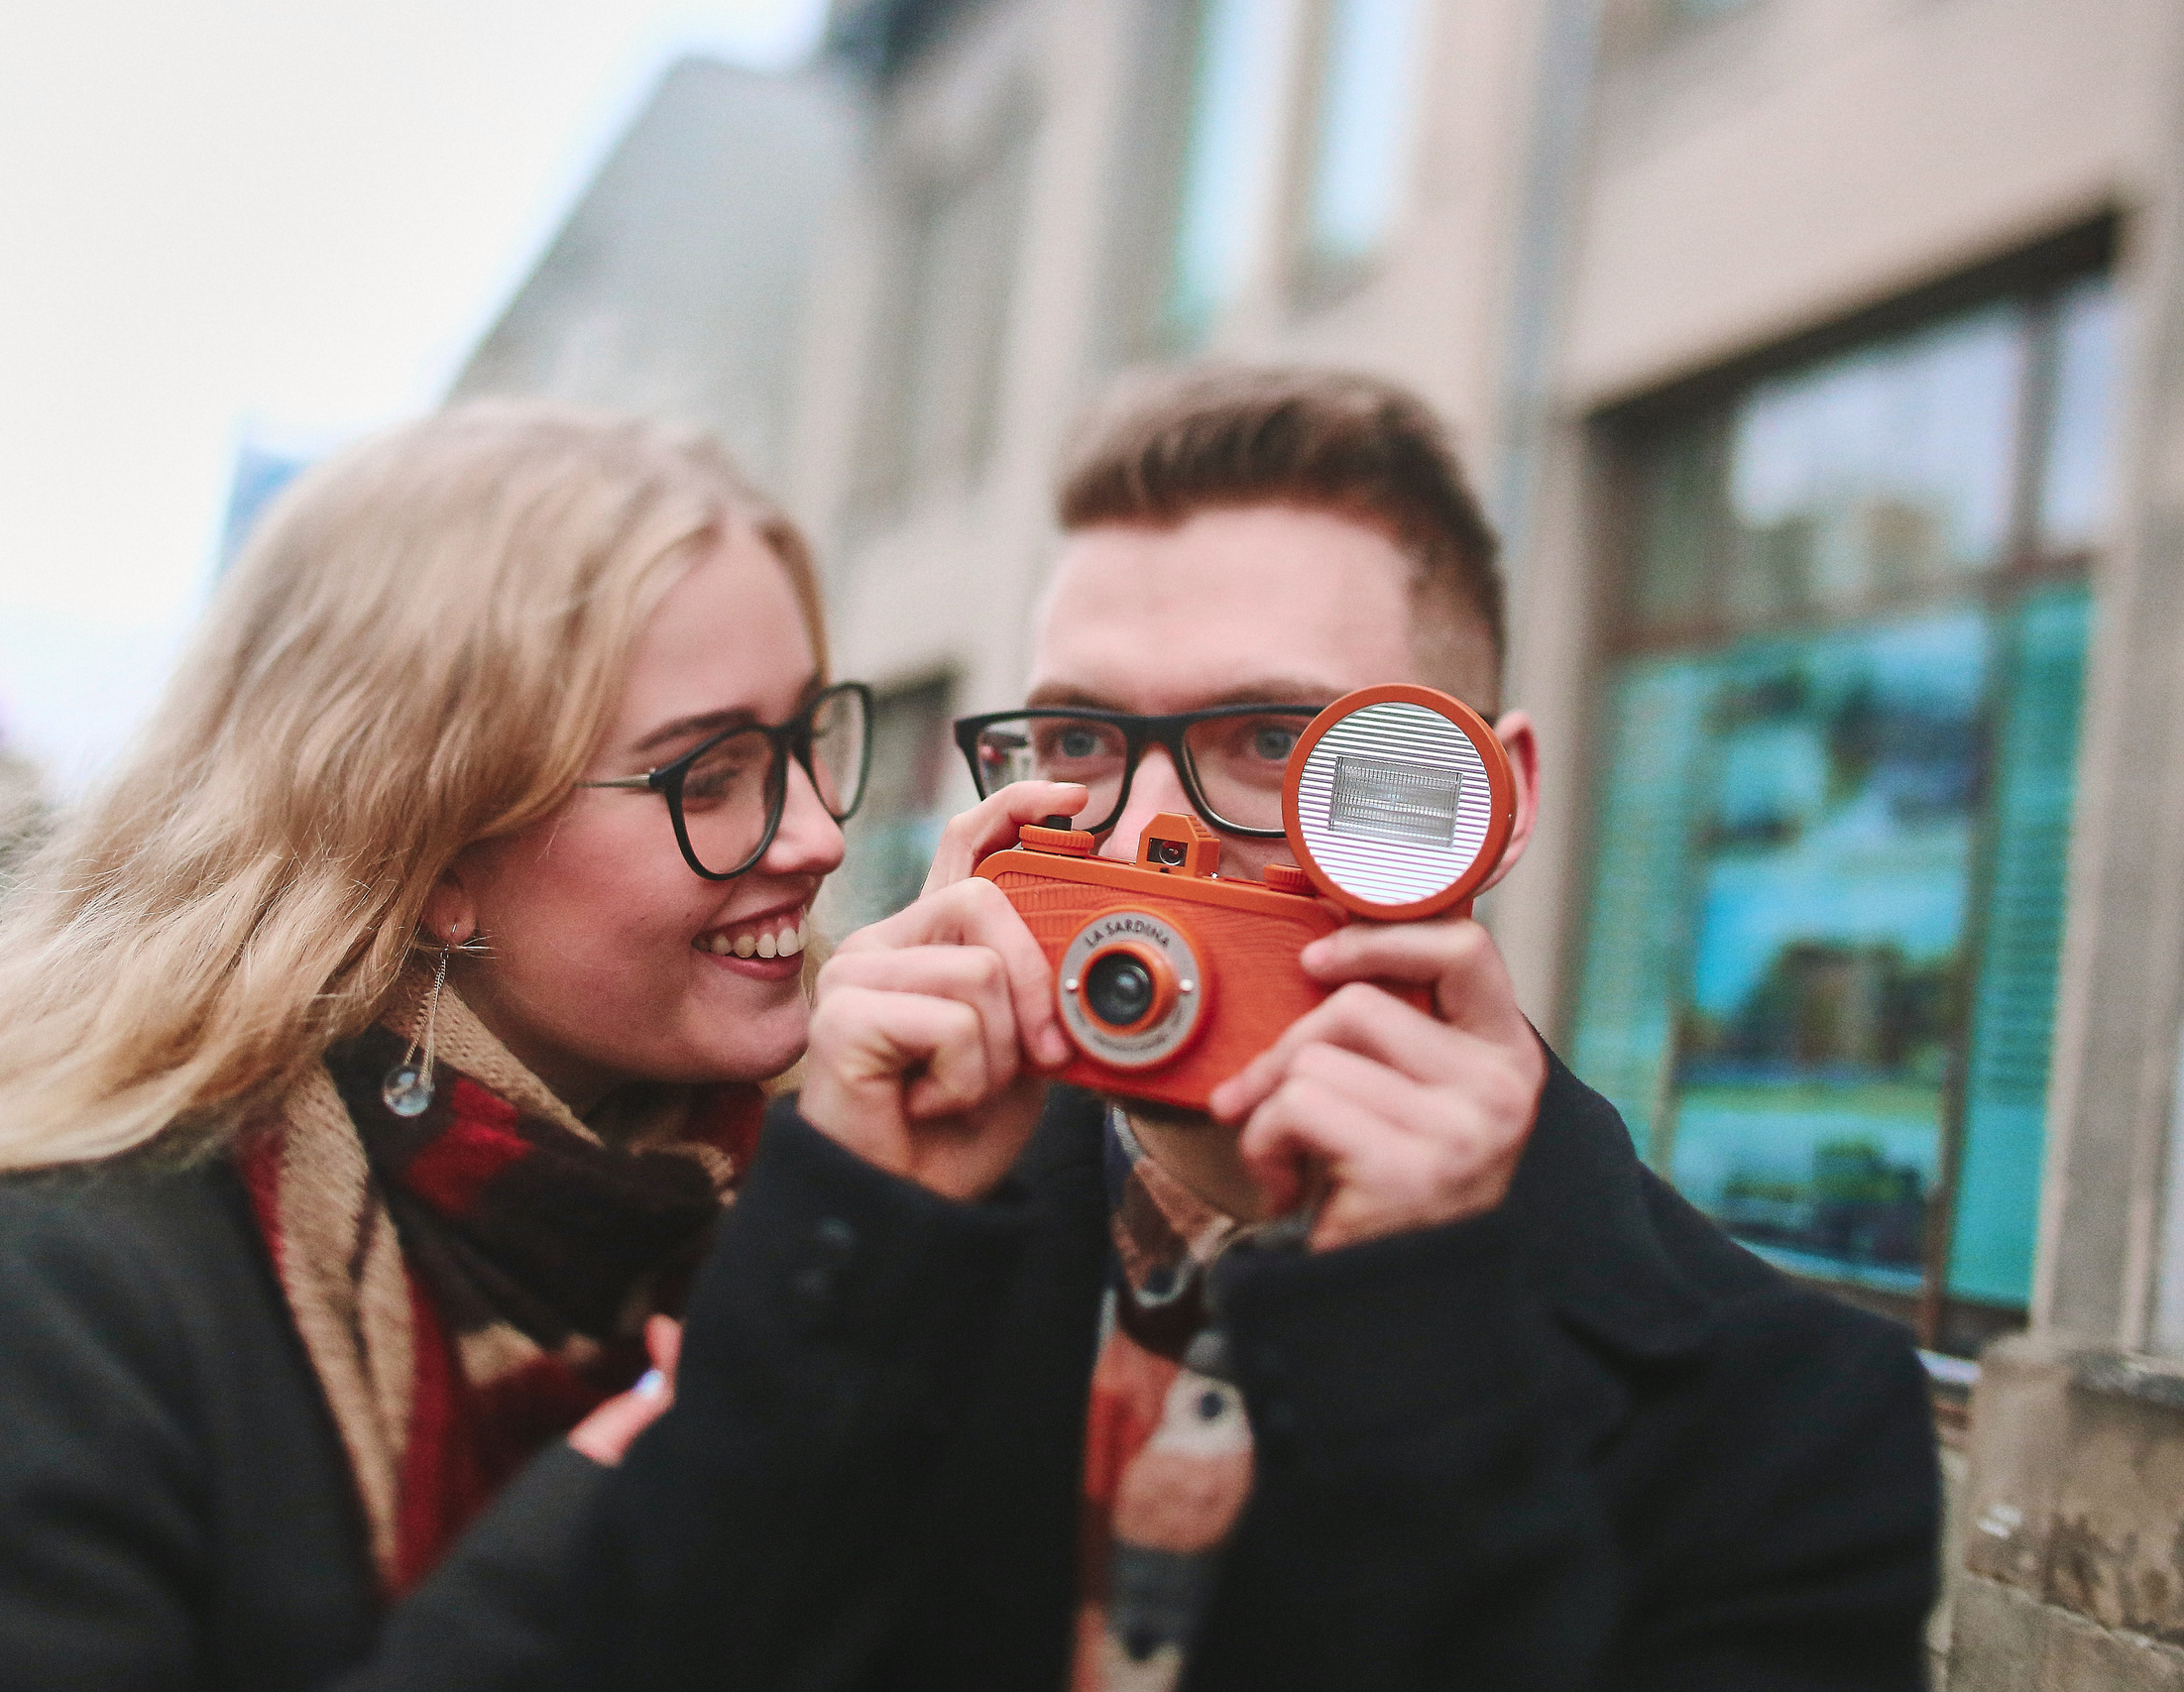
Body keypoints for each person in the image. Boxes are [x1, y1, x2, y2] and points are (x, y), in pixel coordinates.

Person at [487, 366, 1943, 1689]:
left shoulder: (1798, 1421)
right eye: (1079, 743)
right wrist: (858, 1244)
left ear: (1486, 803)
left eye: (1272, 744)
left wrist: (1414, 1353)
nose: (1149, 834)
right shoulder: (865, 1222)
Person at [0, 400, 875, 1688]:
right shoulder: (47, 1288)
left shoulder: (827, 1200)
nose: (816, 835)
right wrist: (611, 1518)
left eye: (808, 742)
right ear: (432, 846)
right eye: (709, 777)